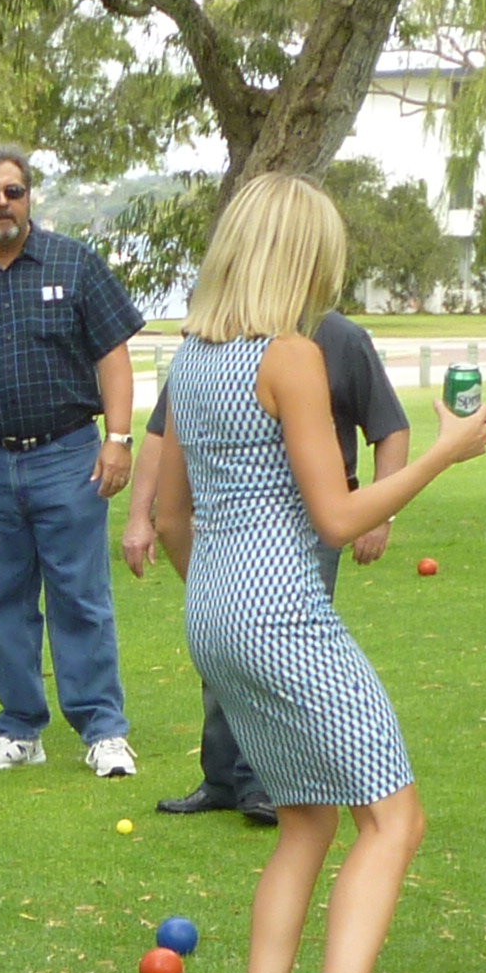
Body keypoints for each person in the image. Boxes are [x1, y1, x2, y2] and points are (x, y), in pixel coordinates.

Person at [126, 173, 486, 973]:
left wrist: (224, 597)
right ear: (302, 257)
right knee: (395, 820)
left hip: (215, 611)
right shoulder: (288, 357)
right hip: (284, 614)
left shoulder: (193, 361)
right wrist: (442, 454)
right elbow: (336, 518)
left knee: (306, 822)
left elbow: (169, 515)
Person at [0, 146, 144, 776]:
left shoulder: (75, 262)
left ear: (29, 195)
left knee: (79, 596)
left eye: (13, 191)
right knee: (2, 601)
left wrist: (118, 439)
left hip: (69, 456)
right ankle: (20, 730)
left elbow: (113, 356)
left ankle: (103, 729)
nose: (2, 204)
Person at [135, 308, 406, 826]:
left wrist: (381, 511)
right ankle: (226, 778)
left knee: (265, 666)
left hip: (294, 530)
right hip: (254, 546)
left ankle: (264, 785)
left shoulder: (336, 338)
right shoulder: (241, 350)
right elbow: (163, 442)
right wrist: (447, 452)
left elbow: (388, 428)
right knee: (390, 823)